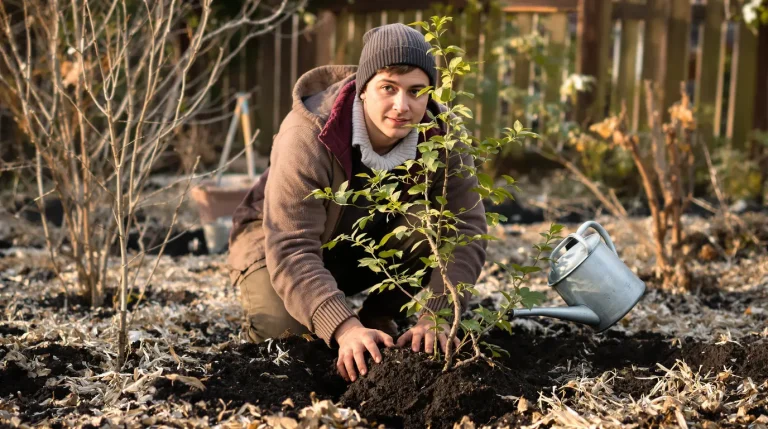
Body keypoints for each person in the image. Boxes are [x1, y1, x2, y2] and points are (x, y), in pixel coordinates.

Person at [227, 23, 487, 382]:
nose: (402, 106)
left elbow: (467, 227)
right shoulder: (308, 134)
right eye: (388, 88)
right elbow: (291, 245)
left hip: (359, 245)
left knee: (426, 222)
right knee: (287, 335)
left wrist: (437, 316)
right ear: (364, 89)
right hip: (275, 244)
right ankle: (342, 321)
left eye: (417, 91)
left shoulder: (443, 138)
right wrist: (343, 328)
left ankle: (377, 316)